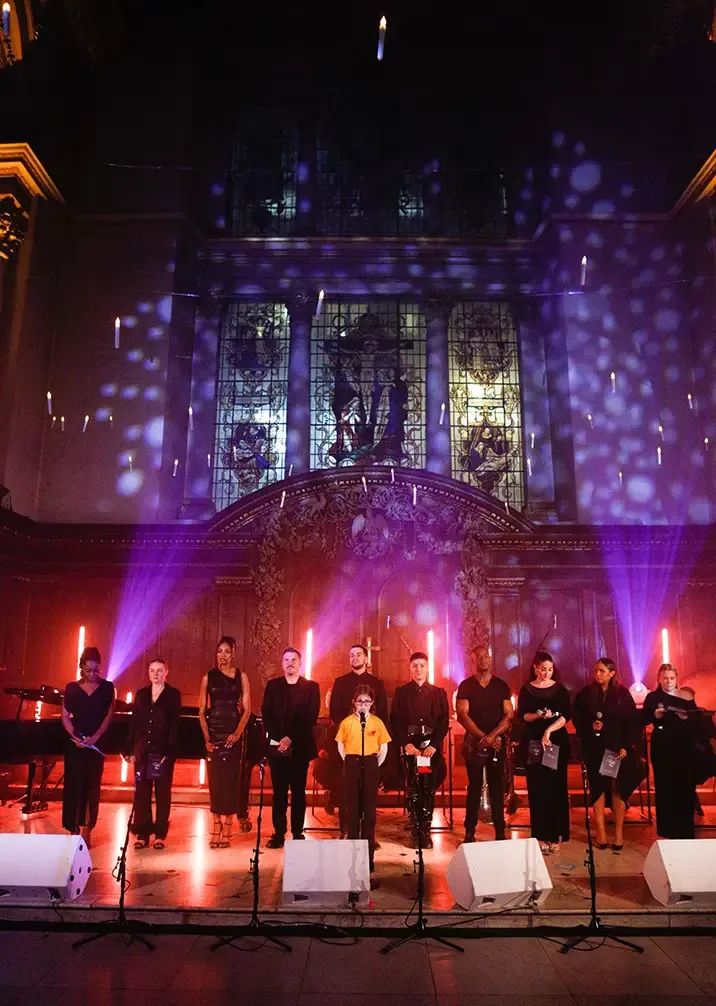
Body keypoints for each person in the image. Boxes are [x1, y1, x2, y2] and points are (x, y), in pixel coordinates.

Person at [573, 658, 643, 852]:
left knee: (616, 788)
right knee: (597, 787)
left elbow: (631, 722)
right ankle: (601, 831)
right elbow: (577, 717)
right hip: (594, 747)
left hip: (615, 748)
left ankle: (619, 832)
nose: (597, 674)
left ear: (612, 673)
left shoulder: (622, 694)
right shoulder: (587, 694)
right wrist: (590, 726)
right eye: (596, 670)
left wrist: (626, 745)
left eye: (602, 671)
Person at [262, 647, 320, 848]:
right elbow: (266, 714)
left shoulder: (311, 687)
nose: (290, 663)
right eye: (286, 659)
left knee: (298, 792)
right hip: (277, 749)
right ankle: (279, 833)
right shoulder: (273, 686)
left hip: (300, 748)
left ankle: (297, 833)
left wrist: (291, 738)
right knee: (278, 793)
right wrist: (280, 738)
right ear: (282, 663)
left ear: (300, 663)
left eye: (294, 659)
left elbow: (310, 717)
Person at [329, 644, 390, 836]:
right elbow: (335, 712)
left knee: (368, 797)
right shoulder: (340, 682)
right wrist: (349, 733)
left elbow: (382, 715)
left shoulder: (377, 683)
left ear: (366, 658)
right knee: (347, 792)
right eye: (352, 655)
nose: (355, 658)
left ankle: (369, 836)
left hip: (371, 745)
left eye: (358, 655)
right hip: (348, 745)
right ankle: (346, 830)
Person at [391, 651, 449, 849]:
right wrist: (406, 744)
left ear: (428, 668)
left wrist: (434, 745)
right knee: (413, 789)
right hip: (411, 749)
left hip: (428, 751)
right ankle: (415, 830)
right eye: (415, 665)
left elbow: (443, 722)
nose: (418, 669)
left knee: (427, 789)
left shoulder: (438, 693)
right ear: (410, 668)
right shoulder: (402, 692)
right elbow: (396, 721)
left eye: (422, 665)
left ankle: (426, 830)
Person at [456, 644, 513, 842]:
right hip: (474, 744)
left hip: (496, 743)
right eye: (478, 657)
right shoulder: (466, 685)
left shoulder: (501, 686)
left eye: (485, 656)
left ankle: (500, 831)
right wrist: (482, 737)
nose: (482, 659)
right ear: (473, 661)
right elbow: (462, 715)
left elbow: (509, 715)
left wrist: (492, 737)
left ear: (490, 659)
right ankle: (469, 831)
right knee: (474, 787)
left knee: (497, 788)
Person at [199, 636, 251, 848]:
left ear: (233, 653)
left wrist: (237, 733)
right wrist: (206, 738)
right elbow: (202, 712)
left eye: (227, 651)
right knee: (215, 782)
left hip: (233, 733)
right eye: (219, 651)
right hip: (215, 733)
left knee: (231, 782)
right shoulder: (208, 677)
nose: (223, 655)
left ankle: (229, 826)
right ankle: (216, 826)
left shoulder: (241, 676)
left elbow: (247, 709)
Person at [516, 650, 571, 854]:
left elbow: (567, 715)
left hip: (555, 740)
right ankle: (540, 834)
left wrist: (549, 729)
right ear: (535, 668)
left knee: (556, 787)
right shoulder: (527, 690)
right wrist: (538, 716)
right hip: (534, 742)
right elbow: (524, 716)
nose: (546, 673)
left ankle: (557, 834)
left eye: (550, 669)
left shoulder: (559, 689)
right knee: (537, 788)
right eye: (543, 669)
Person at [61, 646, 115, 847]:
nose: (92, 674)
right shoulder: (71, 688)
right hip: (76, 744)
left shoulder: (108, 687)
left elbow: (109, 714)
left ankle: (87, 829)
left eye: (96, 670)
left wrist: (96, 737)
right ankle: (73, 827)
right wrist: (75, 736)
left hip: (96, 745)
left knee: (92, 787)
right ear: (81, 668)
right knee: (74, 785)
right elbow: (65, 715)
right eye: (88, 670)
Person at [127, 657, 182, 850]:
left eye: (159, 670)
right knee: (142, 792)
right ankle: (142, 832)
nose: (156, 674)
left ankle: (160, 833)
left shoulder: (173, 695)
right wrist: (129, 749)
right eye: (152, 670)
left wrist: (169, 751)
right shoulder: (141, 694)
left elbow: (174, 725)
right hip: (143, 750)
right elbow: (135, 723)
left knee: (161, 792)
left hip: (161, 752)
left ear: (166, 672)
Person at [336, 683, 391, 874]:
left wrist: (373, 764)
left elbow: (383, 748)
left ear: (372, 703)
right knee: (352, 811)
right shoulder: (347, 722)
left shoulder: (377, 722)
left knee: (369, 811)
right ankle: (352, 856)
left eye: (367, 702)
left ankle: (368, 858)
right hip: (351, 763)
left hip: (370, 764)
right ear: (354, 702)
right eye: (360, 701)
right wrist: (351, 762)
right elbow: (341, 748)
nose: (363, 705)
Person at [642, 663, 698, 839]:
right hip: (663, 747)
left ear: (677, 679)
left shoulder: (686, 696)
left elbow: (697, 720)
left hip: (684, 747)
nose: (668, 681)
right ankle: (667, 830)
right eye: (665, 678)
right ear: (659, 678)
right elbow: (642, 719)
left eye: (671, 678)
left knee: (685, 788)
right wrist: (654, 716)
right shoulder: (653, 697)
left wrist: (686, 717)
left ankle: (685, 830)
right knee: (665, 788)